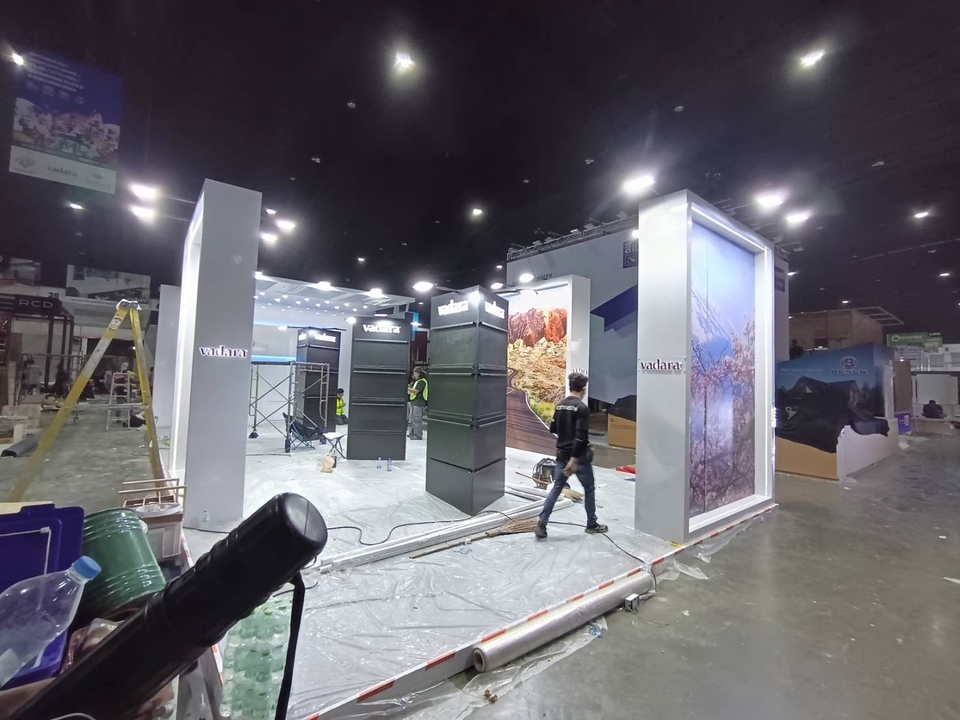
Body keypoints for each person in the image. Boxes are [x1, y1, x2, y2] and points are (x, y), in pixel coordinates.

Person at [535, 372, 608, 539]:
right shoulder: (582, 408)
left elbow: (553, 429)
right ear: (583, 389)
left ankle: (541, 524)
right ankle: (591, 524)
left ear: (570, 387)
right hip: (579, 458)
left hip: (561, 455)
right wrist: (574, 460)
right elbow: (580, 436)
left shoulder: (560, 405)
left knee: (556, 489)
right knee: (589, 489)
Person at [407, 368, 428, 440]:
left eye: (416, 373)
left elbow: (415, 391)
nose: (414, 374)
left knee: (417, 419)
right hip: (414, 402)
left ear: (420, 374)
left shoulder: (422, 382)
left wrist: (407, 388)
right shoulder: (417, 381)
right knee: (412, 419)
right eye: (414, 373)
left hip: (419, 403)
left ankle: (418, 435)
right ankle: (412, 433)